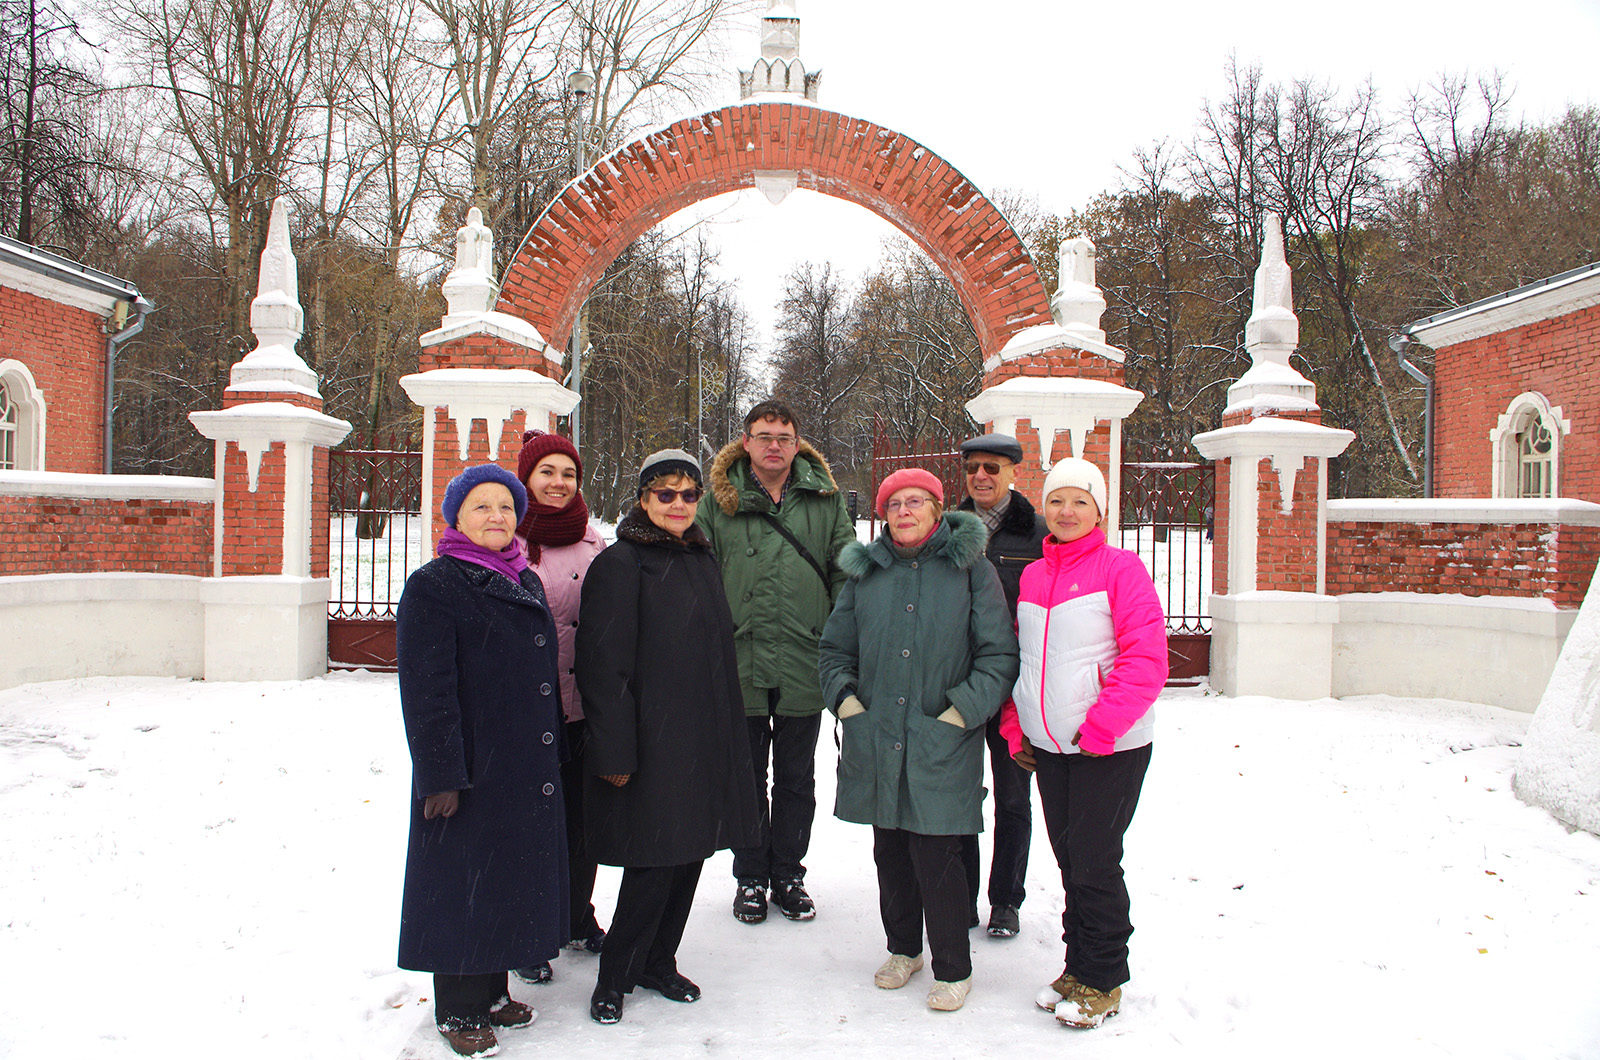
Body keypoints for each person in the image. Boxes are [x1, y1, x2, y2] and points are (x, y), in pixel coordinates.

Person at [818, 468, 1019, 1013]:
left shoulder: (970, 569)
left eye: (916, 502)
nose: (904, 512)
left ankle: (954, 965)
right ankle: (903, 948)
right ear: (882, 515)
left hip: (941, 736)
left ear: (936, 509)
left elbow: (998, 655)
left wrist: (960, 714)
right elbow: (834, 652)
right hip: (878, 732)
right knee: (891, 851)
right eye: (894, 504)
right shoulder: (867, 575)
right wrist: (848, 703)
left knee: (938, 852)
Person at [577, 449, 761, 1025]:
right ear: (643, 499)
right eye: (665, 494)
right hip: (651, 745)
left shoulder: (701, 558)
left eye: (688, 495)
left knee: (690, 857)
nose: (678, 504)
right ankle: (614, 977)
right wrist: (615, 751)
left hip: (703, 739)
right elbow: (604, 669)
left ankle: (658, 961)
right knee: (654, 862)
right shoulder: (621, 564)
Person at [396, 463, 567, 1058]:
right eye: (482, 507)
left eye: (505, 506)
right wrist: (441, 772)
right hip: (469, 766)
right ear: (457, 518)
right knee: (463, 885)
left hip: (519, 761)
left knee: (503, 879)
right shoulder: (436, 584)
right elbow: (426, 688)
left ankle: (493, 991)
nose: (496, 516)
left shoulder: (523, 576)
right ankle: (459, 1008)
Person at [1000, 457, 1167, 1030]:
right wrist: (1016, 724)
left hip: (1109, 747)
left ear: (1099, 509)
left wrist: (1102, 728)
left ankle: (1104, 978)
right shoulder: (1033, 576)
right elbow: (1022, 660)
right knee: (1072, 861)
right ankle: (1078, 966)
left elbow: (1147, 659)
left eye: (1079, 502)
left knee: (1096, 861)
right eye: (1056, 501)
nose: (1066, 512)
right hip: (1049, 746)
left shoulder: (1122, 569)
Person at [697, 400, 855, 924]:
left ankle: (788, 871)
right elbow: (698, 575)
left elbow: (843, 571)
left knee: (795, 779)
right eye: (763, 436)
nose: (773, 446)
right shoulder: (718, 502)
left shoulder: (824, 499)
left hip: (802, 657)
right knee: (744, 777)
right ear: (745, 442)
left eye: (783, 437)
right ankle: (749, 876)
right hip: (738, 659)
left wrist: (838, 636)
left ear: (797, 442)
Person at [511, 430, 608, 987]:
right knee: (530, 824)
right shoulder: (505, 537)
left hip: (582, 706)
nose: (557, 483)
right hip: (527, 711)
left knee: (581, 819)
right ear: (526, 478)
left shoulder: (592, 540)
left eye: (567, 473)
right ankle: (528, 928)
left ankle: (576, 914)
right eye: (546, 472)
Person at [954, 432, 1048, 940]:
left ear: (1013, 472)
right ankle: (960, 895)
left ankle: (1006, 900)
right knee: (959, 796)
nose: (981, 477)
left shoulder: (1037, 534)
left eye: (992, 467)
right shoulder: (946, 530)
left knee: (1013, 797)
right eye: (973, 469)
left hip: (1015, 691)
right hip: (960, 686)